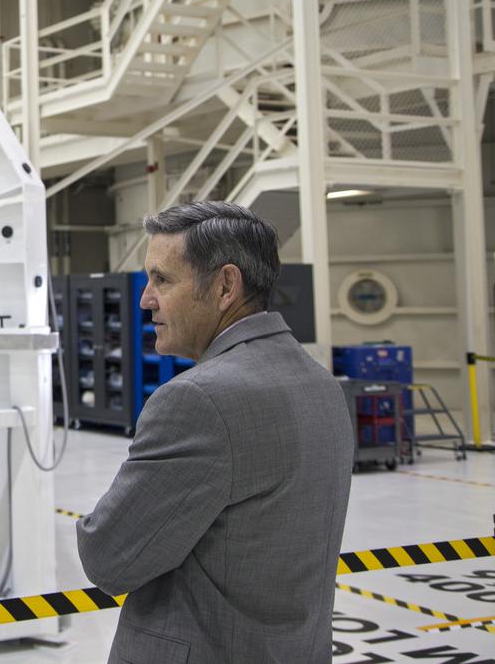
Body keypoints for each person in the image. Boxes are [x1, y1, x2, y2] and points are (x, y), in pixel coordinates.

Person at [77, 201, 353, 664]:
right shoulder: (320, 384)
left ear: (226, 285)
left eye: (162, 279)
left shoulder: (198, 400)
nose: (146, 298)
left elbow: (109, 558)